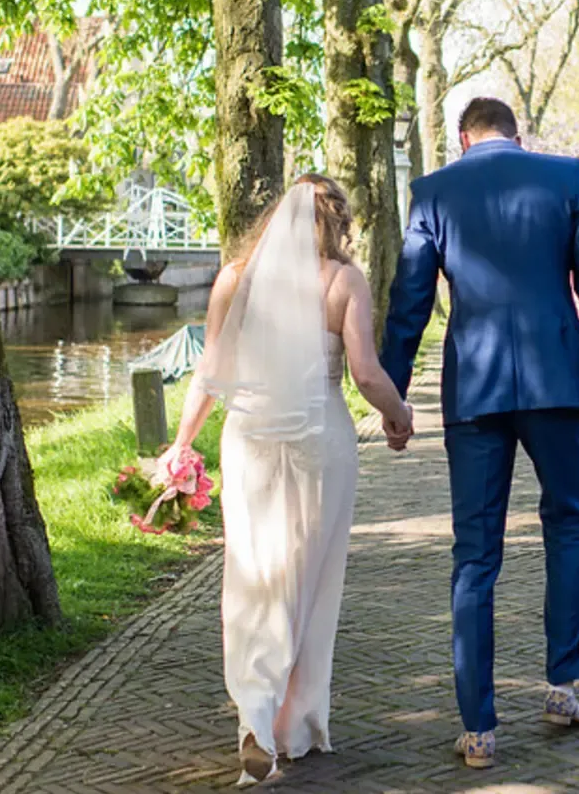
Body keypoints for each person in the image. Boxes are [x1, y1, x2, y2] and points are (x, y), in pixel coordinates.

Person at [378, 97, 579, 770]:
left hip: (476, 389)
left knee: (475, 554)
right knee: (567, 525)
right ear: (519, 135)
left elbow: (410, 301)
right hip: (559, 381)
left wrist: (393, 394)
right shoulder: (563, 178)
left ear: (463, 138)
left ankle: (479, 729)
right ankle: (561, 686)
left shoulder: (433, 192)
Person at [165, 174, 414, 787]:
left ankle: (258, 715)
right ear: (337, 222)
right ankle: (291, 724)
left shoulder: (234, 276)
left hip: (248, 439)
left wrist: (181, 444)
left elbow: (208, 371)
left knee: (251, 575)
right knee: (309, 578)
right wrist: (400, 416)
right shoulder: (342, 280)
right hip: (318, 443)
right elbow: (365, 372)